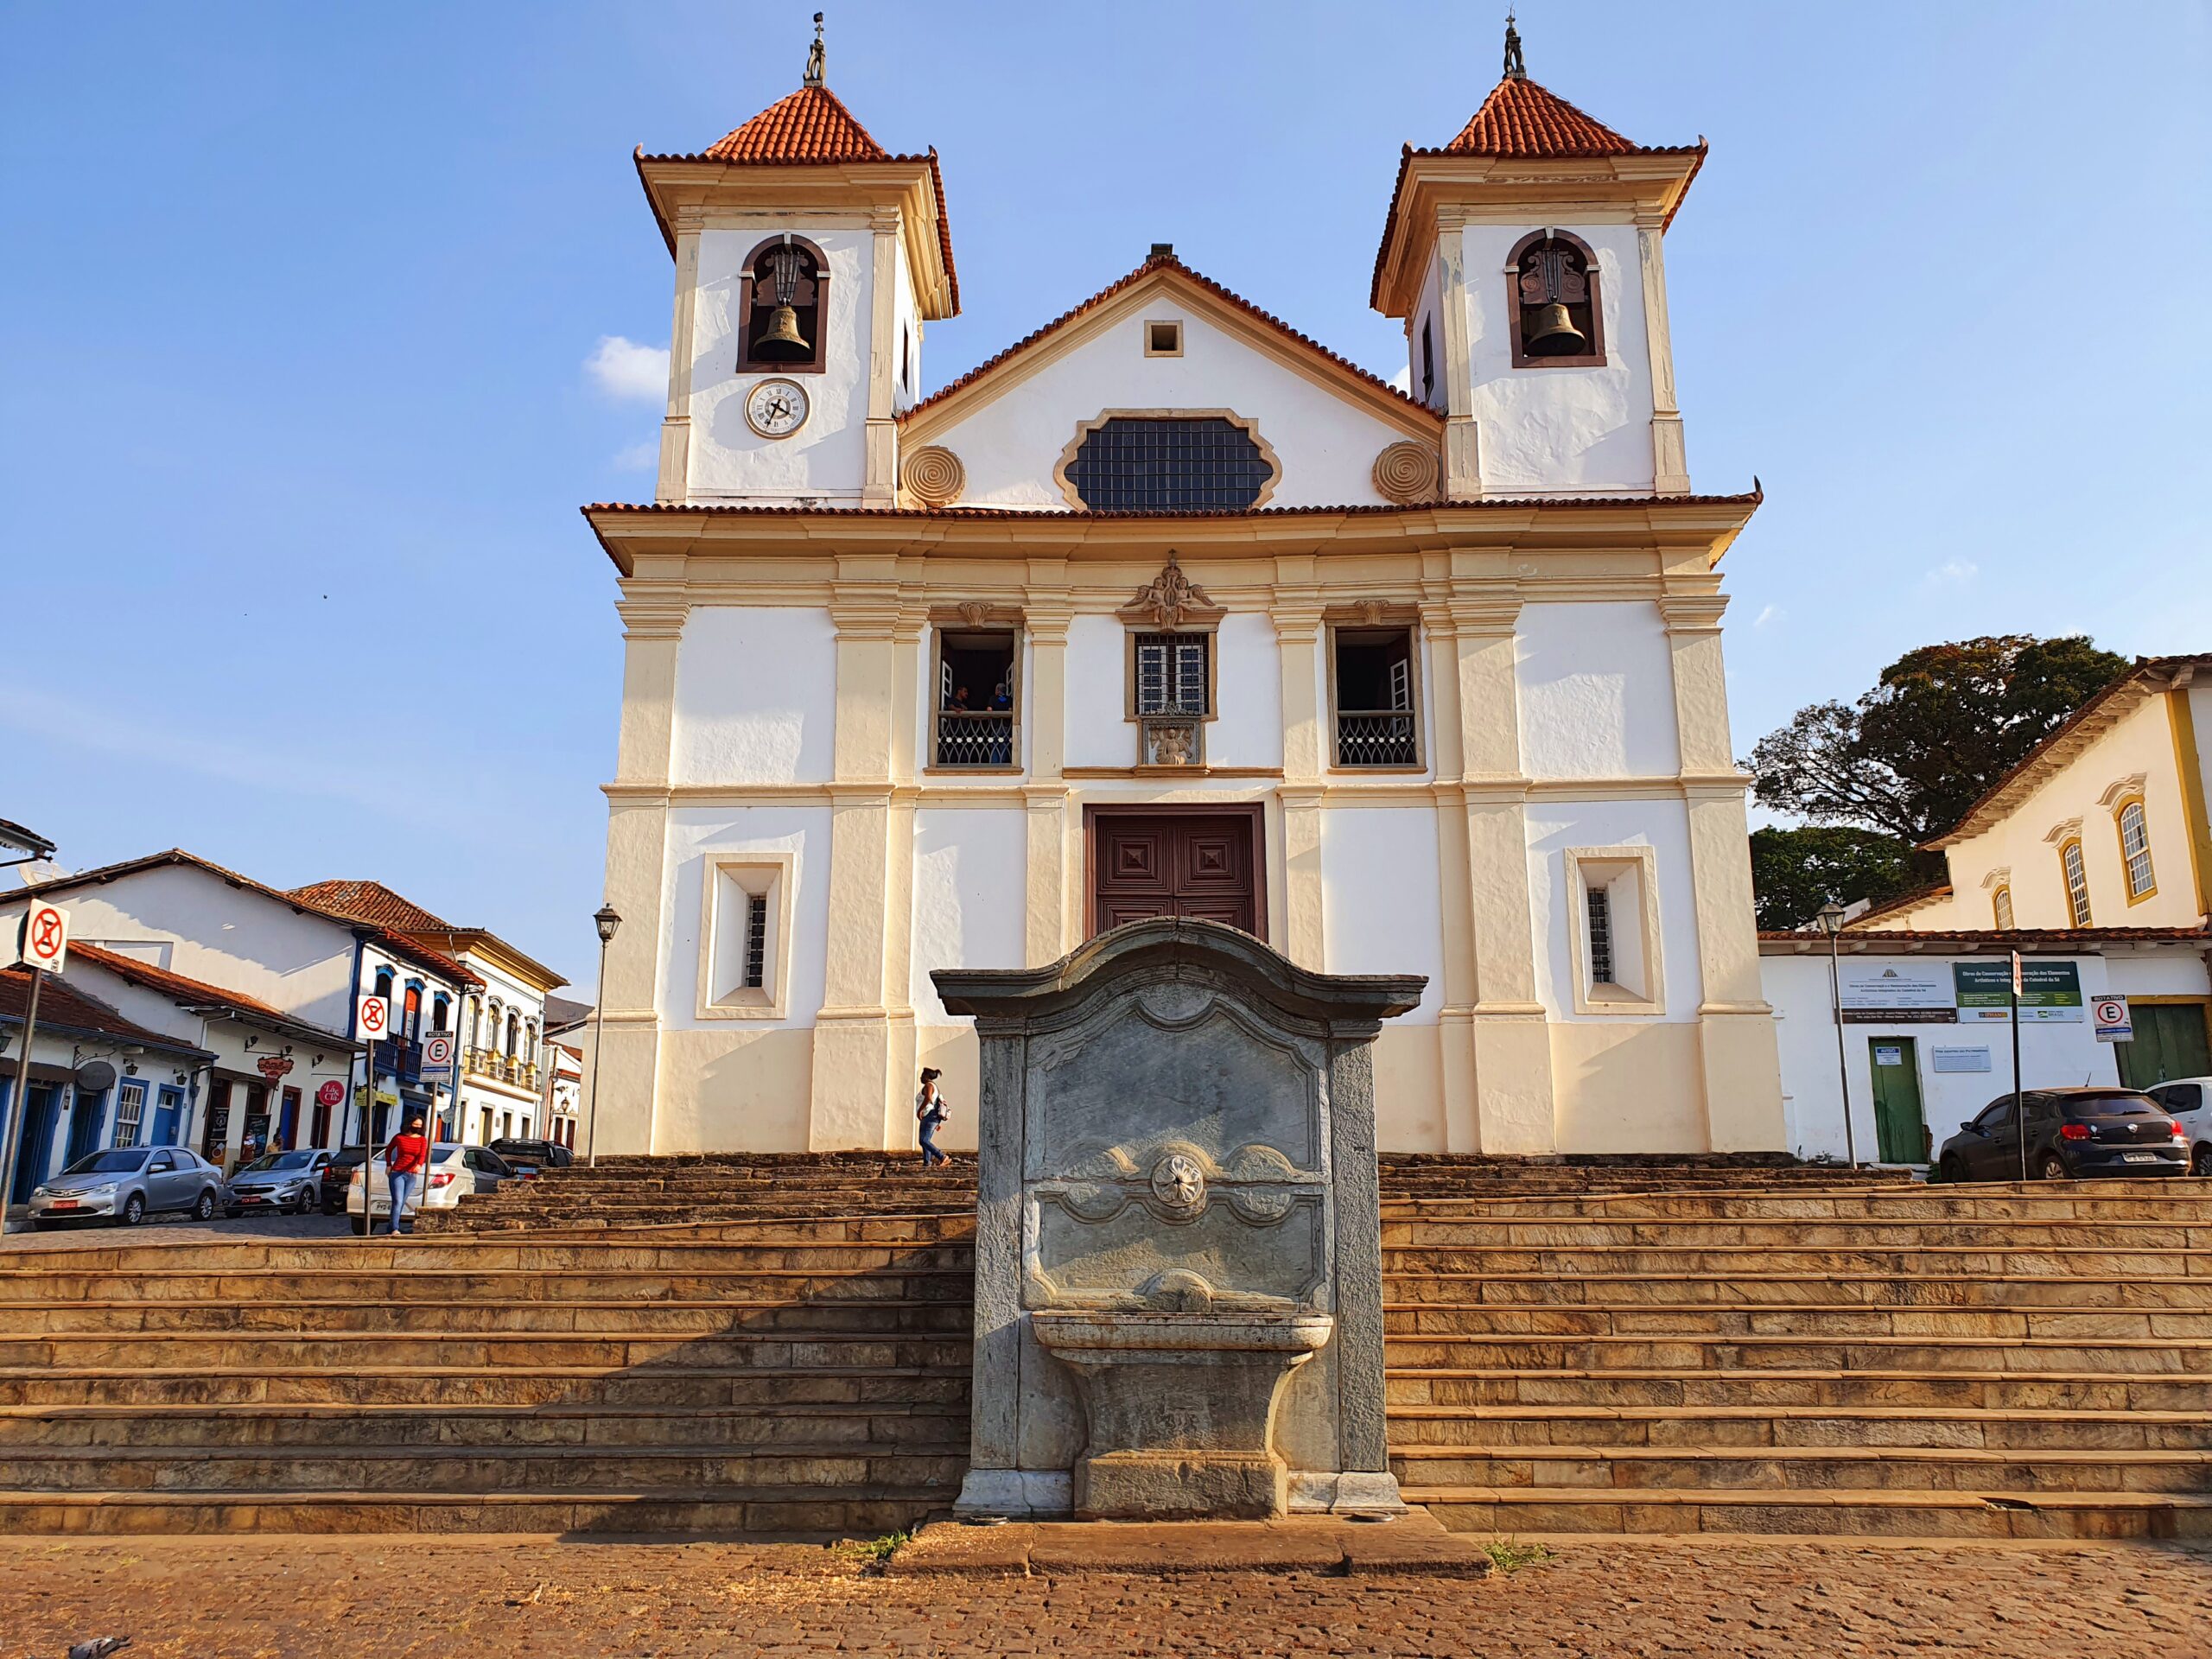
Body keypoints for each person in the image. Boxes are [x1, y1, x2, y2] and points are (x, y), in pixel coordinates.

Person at [378, 1114, 431, 1236]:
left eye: (420, 1126)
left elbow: (422, 1155)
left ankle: (390, 1227)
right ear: (409, 1124)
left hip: (412, 1174)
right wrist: (388, 1165)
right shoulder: (399, 1137)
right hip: (397, 1172)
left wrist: (419, 1165)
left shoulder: (422, 1140)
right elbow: (388, 1150)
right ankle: (395, 1228)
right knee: (397, 1200)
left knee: (402, 1202)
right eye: (415, 1124)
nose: (418, 1127)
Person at [914, 1068, 951, 1169]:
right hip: (932, 1116)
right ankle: (927, 1162)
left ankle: (942, 1156)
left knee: (923, 1140)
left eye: (922, 1075)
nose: (921, 1077)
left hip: (930, 1115)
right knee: (926, 1140)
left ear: (927, 1076)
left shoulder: (929, 1085)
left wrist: (920, 1110)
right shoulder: (935, 1087)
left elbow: (928, 1098)